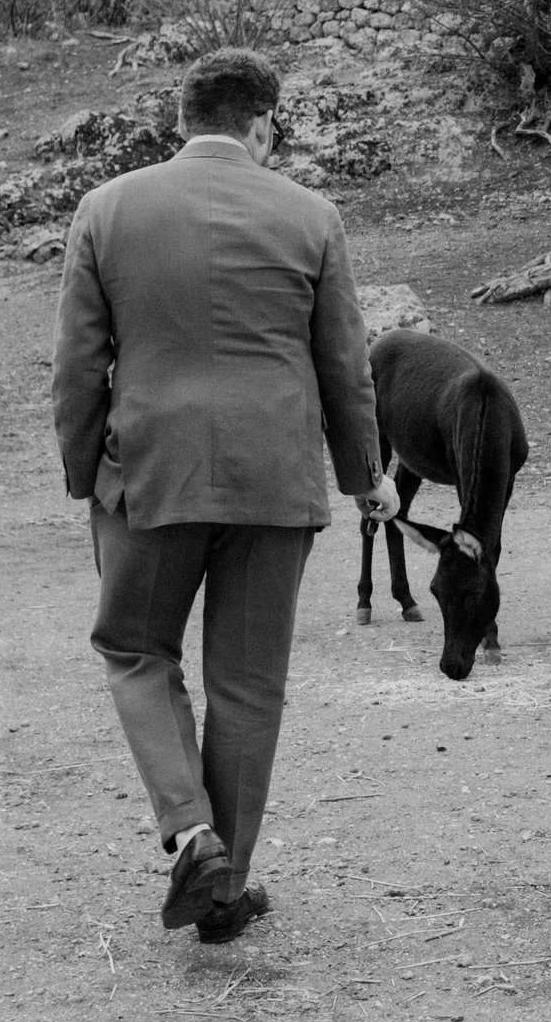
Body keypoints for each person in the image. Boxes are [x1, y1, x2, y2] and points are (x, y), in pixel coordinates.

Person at [52, 48, 397, 944]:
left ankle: (191, 831)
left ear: (181, 122)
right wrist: (367, 477)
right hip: (273, 481)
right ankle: (225, 887)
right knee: (247, 687)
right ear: (262, 124)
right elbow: (345, 366)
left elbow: (78, 367)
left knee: (135, 649)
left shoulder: (106, 210)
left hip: (151, 475)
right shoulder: (313, 217)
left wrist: (85, 471)